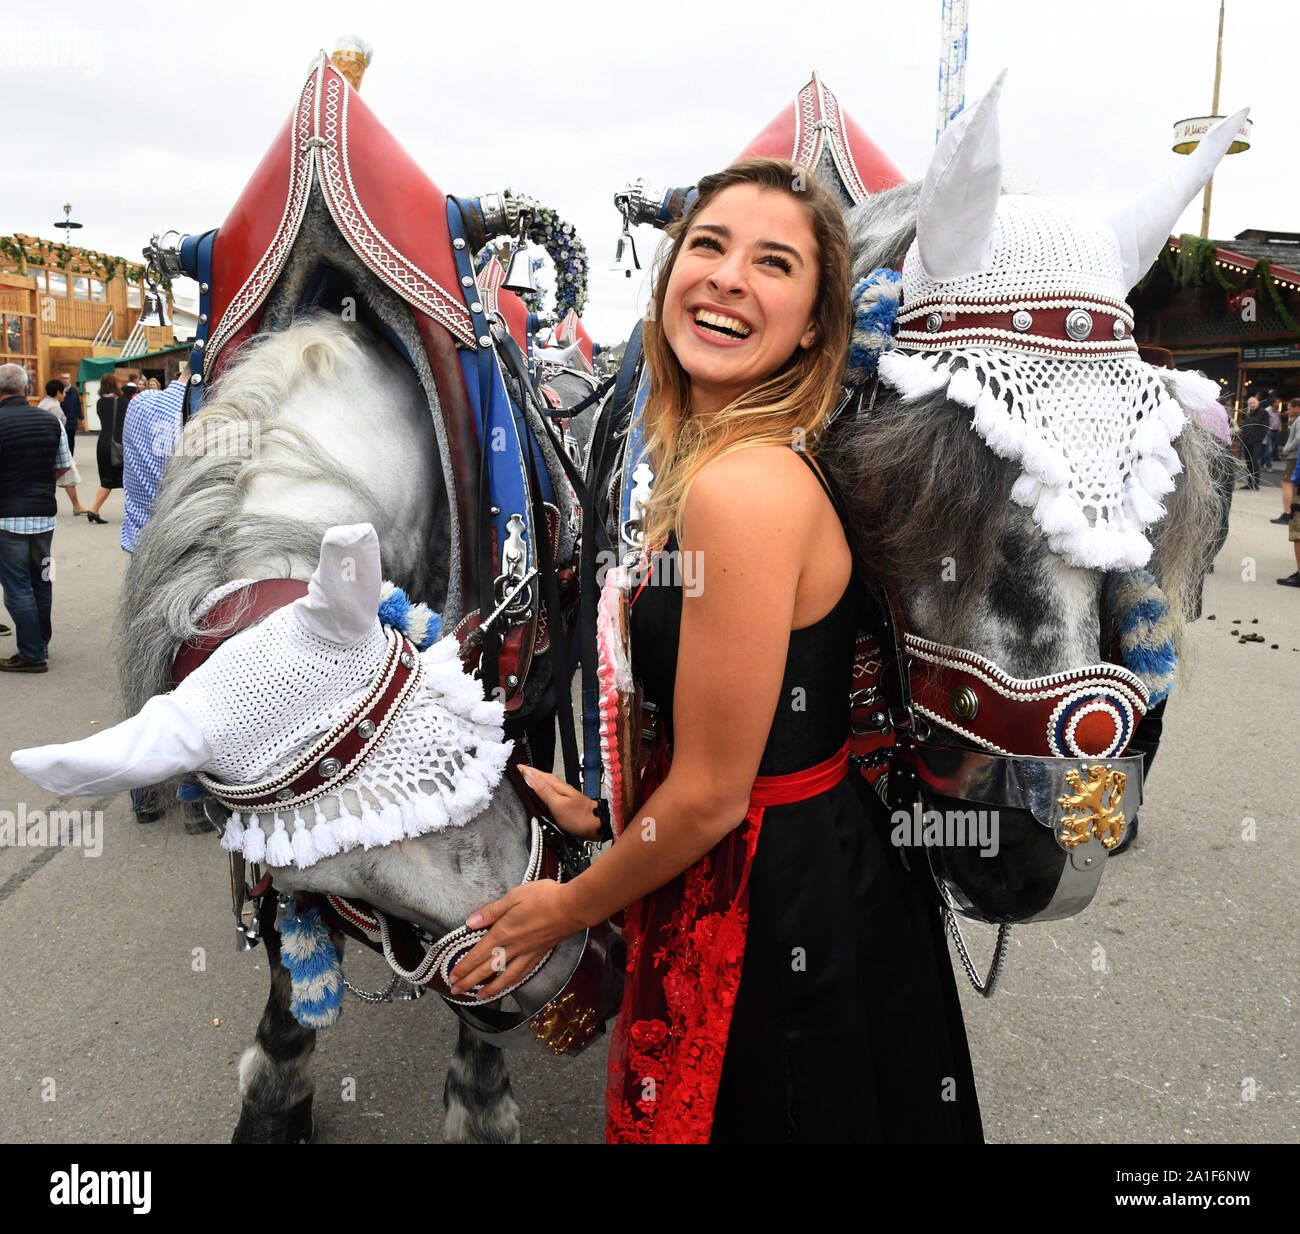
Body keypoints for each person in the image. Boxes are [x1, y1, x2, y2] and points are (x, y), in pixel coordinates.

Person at [448, 158, 982, 1144]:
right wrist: (609, 810)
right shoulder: (734, 461)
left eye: (773, 262)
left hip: (772, 907)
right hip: (786, 862)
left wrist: (562, 908)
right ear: (666, 280)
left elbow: (711, 794)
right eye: (708, 245)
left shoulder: (742, 490)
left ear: (815, 325)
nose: (729, 275)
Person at [120, 363, 210, 829]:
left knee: (145, 669)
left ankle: (145, 798)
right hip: (198, 553)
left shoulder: (140, 405)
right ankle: (194, 802)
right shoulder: (214, 411)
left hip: (142, 547)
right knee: (194, 674)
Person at [0, 363, 72, 671]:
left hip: (7, 520)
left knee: (17, 585)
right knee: (43, 579)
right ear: (26, 388)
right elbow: (63, 465)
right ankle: (41, 643)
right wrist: (40, 482)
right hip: (45, 518)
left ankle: (32, 654)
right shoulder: (50, 420)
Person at [38, 379, 90, 517]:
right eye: (63, 392)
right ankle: (76, 506)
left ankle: (76, 505)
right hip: (55, 446)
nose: (65, 395)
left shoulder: (43, 403)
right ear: (58, 392)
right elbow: (55, 429)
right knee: (67, 474)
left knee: (66, 477)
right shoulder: (54, 408)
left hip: (45, 446)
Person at [89, 374, 125, 523]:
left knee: (106, 480)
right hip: (116, 443)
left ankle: (94, 510)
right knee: (126, 480)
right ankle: (93, 510)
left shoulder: (100, 402)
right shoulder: (121, 402)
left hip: (102, 442)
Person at [1271, 398, 1300, 524]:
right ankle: (1292, 512)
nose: (1287, 411)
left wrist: (1287, 449)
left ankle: (1288, 513)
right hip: (1294, 456)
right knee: (1292, 484)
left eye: (1289, 408)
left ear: (1297, 408)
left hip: (1294, 456)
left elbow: (1298, 438)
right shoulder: (1296, 420)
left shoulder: (1299, 421)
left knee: (1287, 483)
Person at [1237, 396, 1269, 490]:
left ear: (1257, 403)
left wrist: (1258, 438)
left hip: (1256, 442)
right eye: (1250, 404)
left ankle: (1255, 484)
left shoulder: (1263, 413)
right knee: (1249, 463)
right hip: (1247, 442)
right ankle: (1250, 483)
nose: (1251, 405)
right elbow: (1245, 427)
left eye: (1253, 403)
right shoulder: (1249, 414)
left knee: (1254, 461)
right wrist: (1241, 434)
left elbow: (1265, 428)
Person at [60, 372, 83, 456]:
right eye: (64, 378)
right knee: (62, 440)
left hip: (72, 420)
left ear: (70, 379)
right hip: (61, 420)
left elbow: (78, 405)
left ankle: (71, 457)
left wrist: (81, 417)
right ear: (61, 379)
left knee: (71, 440)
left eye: (67, 378)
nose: (65, 380)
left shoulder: (74, 391)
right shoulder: (59, 391)